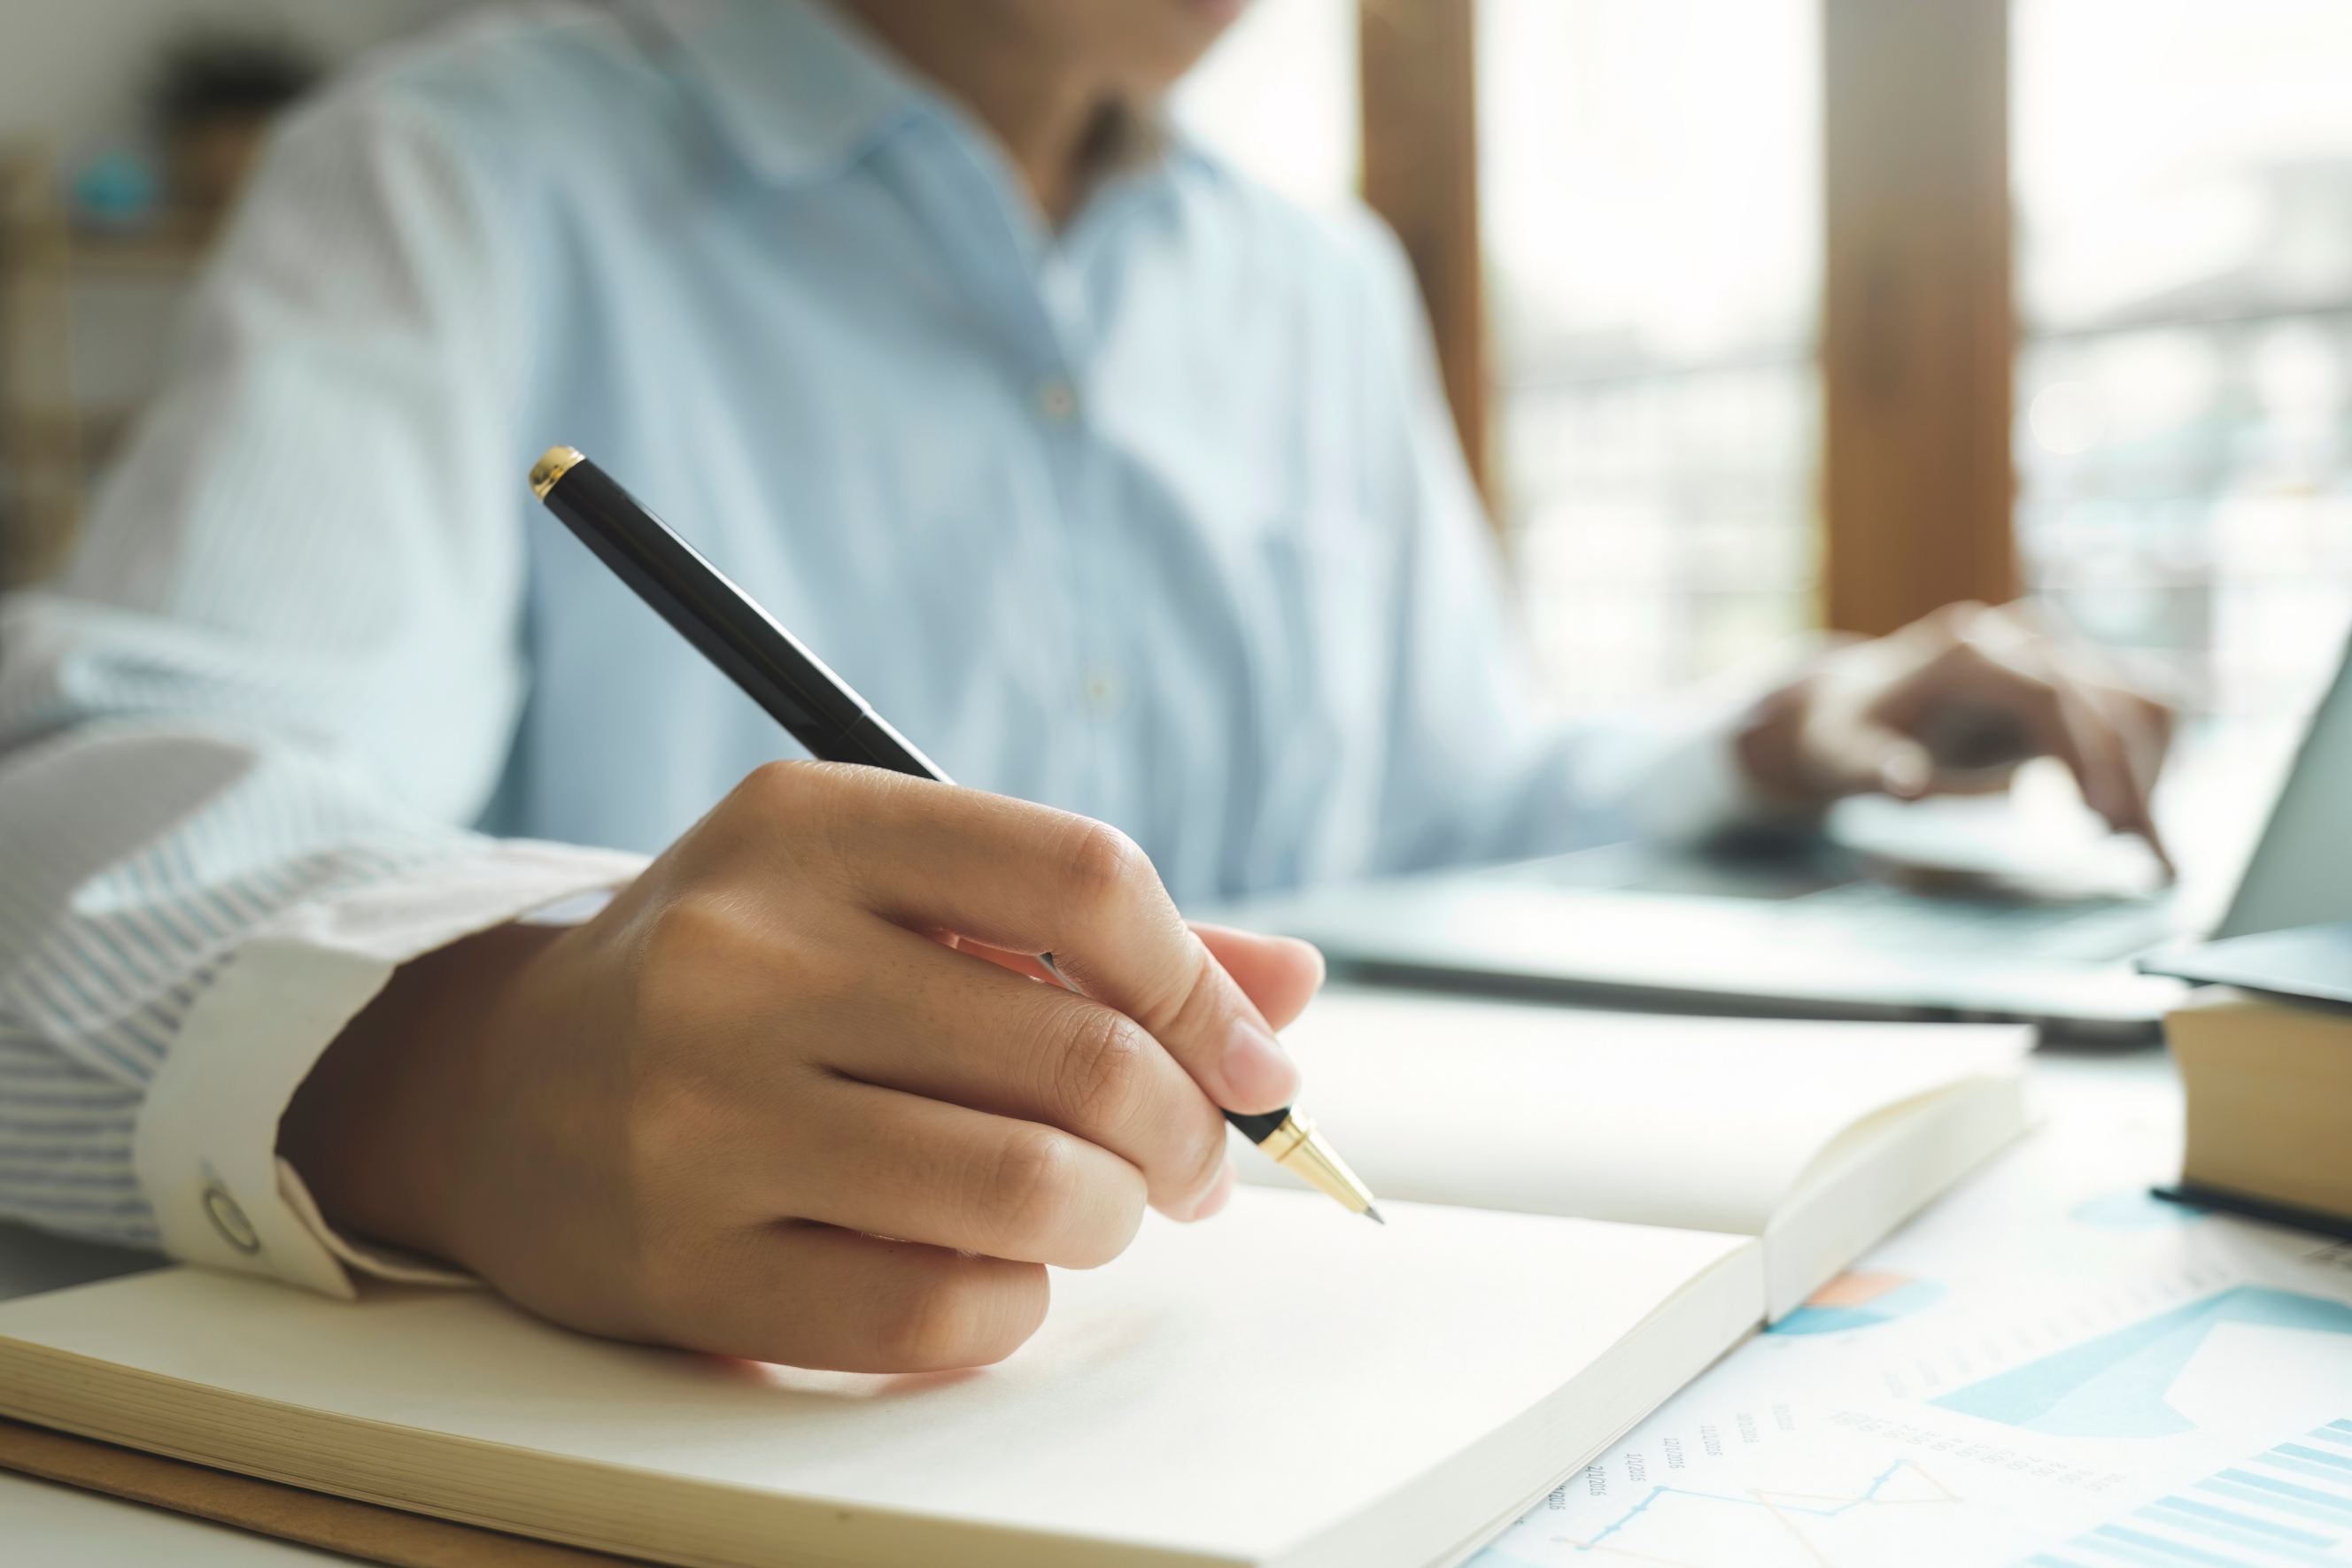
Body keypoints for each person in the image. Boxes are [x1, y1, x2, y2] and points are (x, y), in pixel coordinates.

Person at [0, 0, 2170, 1373]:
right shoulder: (450, 169)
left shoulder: (1315, 284)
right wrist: (455, 1064)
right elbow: (87, 812)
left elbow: (1435, 795)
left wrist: (1785, 733)